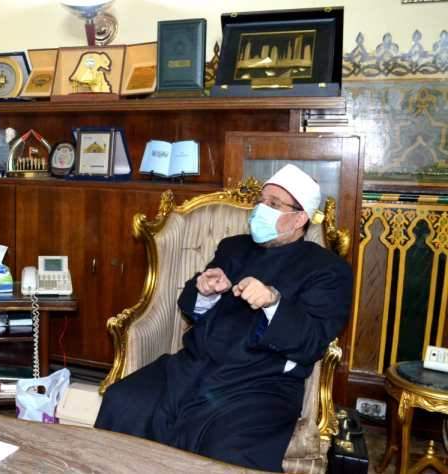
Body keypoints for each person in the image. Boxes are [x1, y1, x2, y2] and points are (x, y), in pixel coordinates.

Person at [95, 164, 353, 472]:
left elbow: (312, 341)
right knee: (123, 400)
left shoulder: (327, 269)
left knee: (225, 450)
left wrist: (273, 303)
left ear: (300, 219)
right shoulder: (233, 247)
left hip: (259, 384)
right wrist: (206, 291)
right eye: (261, 201)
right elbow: (189, 304)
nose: (261, 209)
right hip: (194, 365)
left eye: (273, 204)